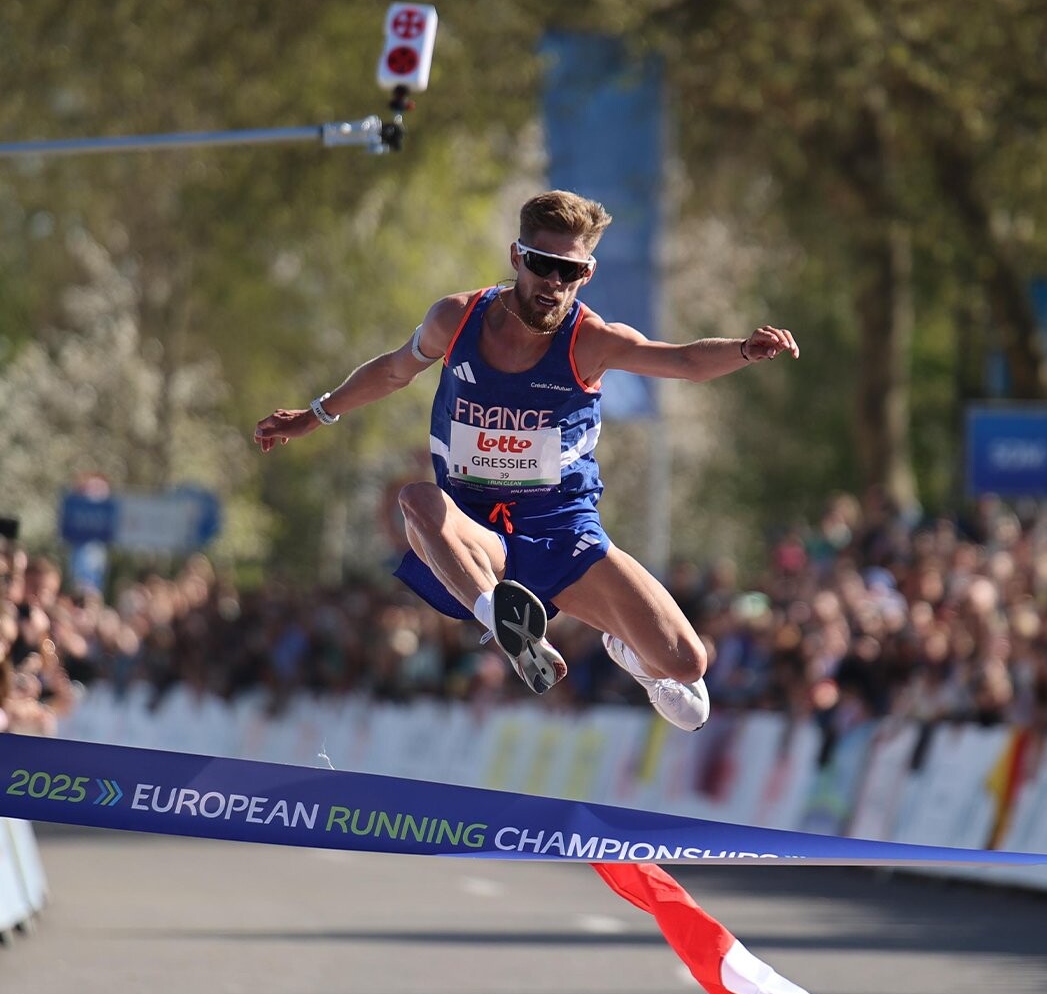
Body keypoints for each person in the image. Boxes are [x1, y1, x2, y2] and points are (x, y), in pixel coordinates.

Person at [254, 190, 799, 731]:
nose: (554, 283)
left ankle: (628, 653)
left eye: (570, 271)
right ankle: (506, 624)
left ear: (587, 273)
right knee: (416, 499)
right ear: (517, 256)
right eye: (542, 265)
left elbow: (683, 362)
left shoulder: (591, 341)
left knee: (687, 664)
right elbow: (395, 370)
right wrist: (316, 414)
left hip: (560, 529)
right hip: (473, 532)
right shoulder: (456, 319)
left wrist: (744, 350)